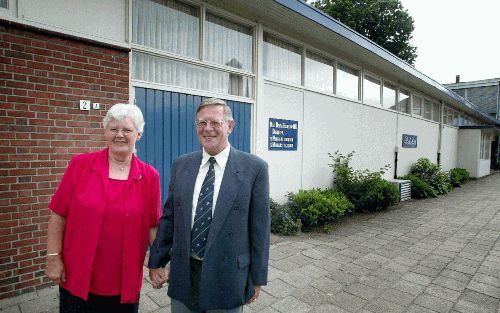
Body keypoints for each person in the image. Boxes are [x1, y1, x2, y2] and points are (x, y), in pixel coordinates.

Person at [148, 98, 270, 313]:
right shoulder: (181, 165)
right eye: (201, 123)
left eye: (215, 122)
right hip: (184, 274)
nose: (207, 129)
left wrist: (257, 278)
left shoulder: (254, 168)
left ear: (230, 126)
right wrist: (156, 261)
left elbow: (260, 229)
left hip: (228, 276)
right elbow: (169, 218)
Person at [45, 103, 162, 313]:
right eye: (113, 129)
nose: (120, 135)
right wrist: (53, 258)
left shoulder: (150, 176)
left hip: (124, 280)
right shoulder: (80, 165)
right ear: (105, 132)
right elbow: (58, 215)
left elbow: (153, 225)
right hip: (78, 275)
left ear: (139, 134)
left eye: (127, 130)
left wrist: (157, 263)